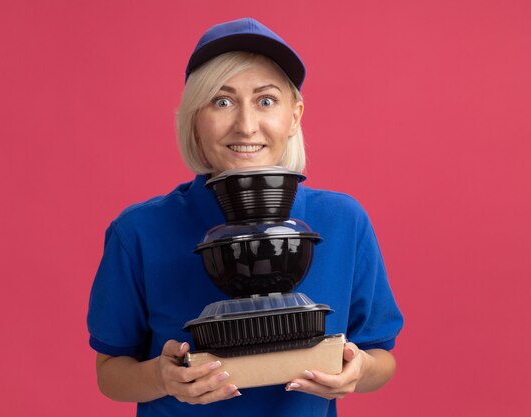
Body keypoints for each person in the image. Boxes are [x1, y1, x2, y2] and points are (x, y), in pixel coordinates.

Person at [87, 17, 403, 417]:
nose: (246, 125)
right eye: (222, 101)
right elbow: (110, 372)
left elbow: (381, 357)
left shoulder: (343, 221)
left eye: (266, 101)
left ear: (295, 116)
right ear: (195, 121)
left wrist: (358, 370)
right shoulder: (138, 232)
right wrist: (162, 379)